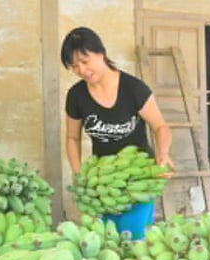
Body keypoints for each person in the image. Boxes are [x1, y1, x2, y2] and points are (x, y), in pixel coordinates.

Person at [61, 26, 173, 240]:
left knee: (134, 241)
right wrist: (79, 176)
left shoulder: (133, 89)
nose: (82, 70)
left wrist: (163, 153)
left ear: (101, 53)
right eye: (74, 66)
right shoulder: (76, 96)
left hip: (137, 179)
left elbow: (160, 126)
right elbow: (72, 138)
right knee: (106, 243)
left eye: (85, 62)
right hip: (102, 184)